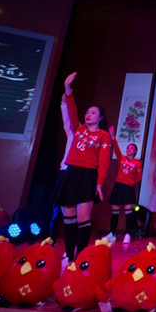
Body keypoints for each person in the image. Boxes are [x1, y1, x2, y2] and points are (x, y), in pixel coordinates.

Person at [53, 72, 111, 261]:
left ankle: (80, 257)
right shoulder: (78, 129)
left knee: (83, 218)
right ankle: (69, 256)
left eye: (93, 113)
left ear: (100, 118)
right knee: (68, 217)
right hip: (70, 173)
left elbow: (104, 161)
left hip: (88, 176)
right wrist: (67, 88)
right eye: (87, 112)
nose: (88, 115)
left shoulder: (104, 136)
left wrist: (99, 184)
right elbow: (71, 110)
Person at [105, 127, 143, 244]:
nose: (129, 149)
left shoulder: (137, 163)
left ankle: (128, 234)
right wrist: (112, 135)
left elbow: (139, 177)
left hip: (128, 188)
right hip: (118, 186)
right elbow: (116, 147)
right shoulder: (122, 158)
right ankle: (112, 234)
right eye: (128, 148)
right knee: (115, 211)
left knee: (128, 212)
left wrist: (130, 182)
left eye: (131, 148)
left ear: (135, 151)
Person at [48, 94, 74, 245]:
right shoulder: (72, 134)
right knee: (57, 209)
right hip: (65, 172)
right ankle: (51, 241)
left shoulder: (92, 138)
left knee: (74, 212)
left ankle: (71, 246)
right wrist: (64, 103)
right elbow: (66, 122)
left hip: (78, 175)